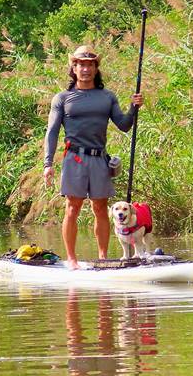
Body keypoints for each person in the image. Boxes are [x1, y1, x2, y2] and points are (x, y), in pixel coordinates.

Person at [43, 46, 143, 269]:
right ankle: (72, 259)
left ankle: (103, 259)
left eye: (90, 64)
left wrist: (133, 108)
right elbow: (52, 131)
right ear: (74, 68)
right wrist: (48, 163)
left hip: (99, 159)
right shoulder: (63, 98)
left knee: (100, 208)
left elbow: (124, 125)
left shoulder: (107, 97)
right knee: (73, 207)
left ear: (96, 68)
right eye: (80, 64)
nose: (85, 68)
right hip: (74, 159)